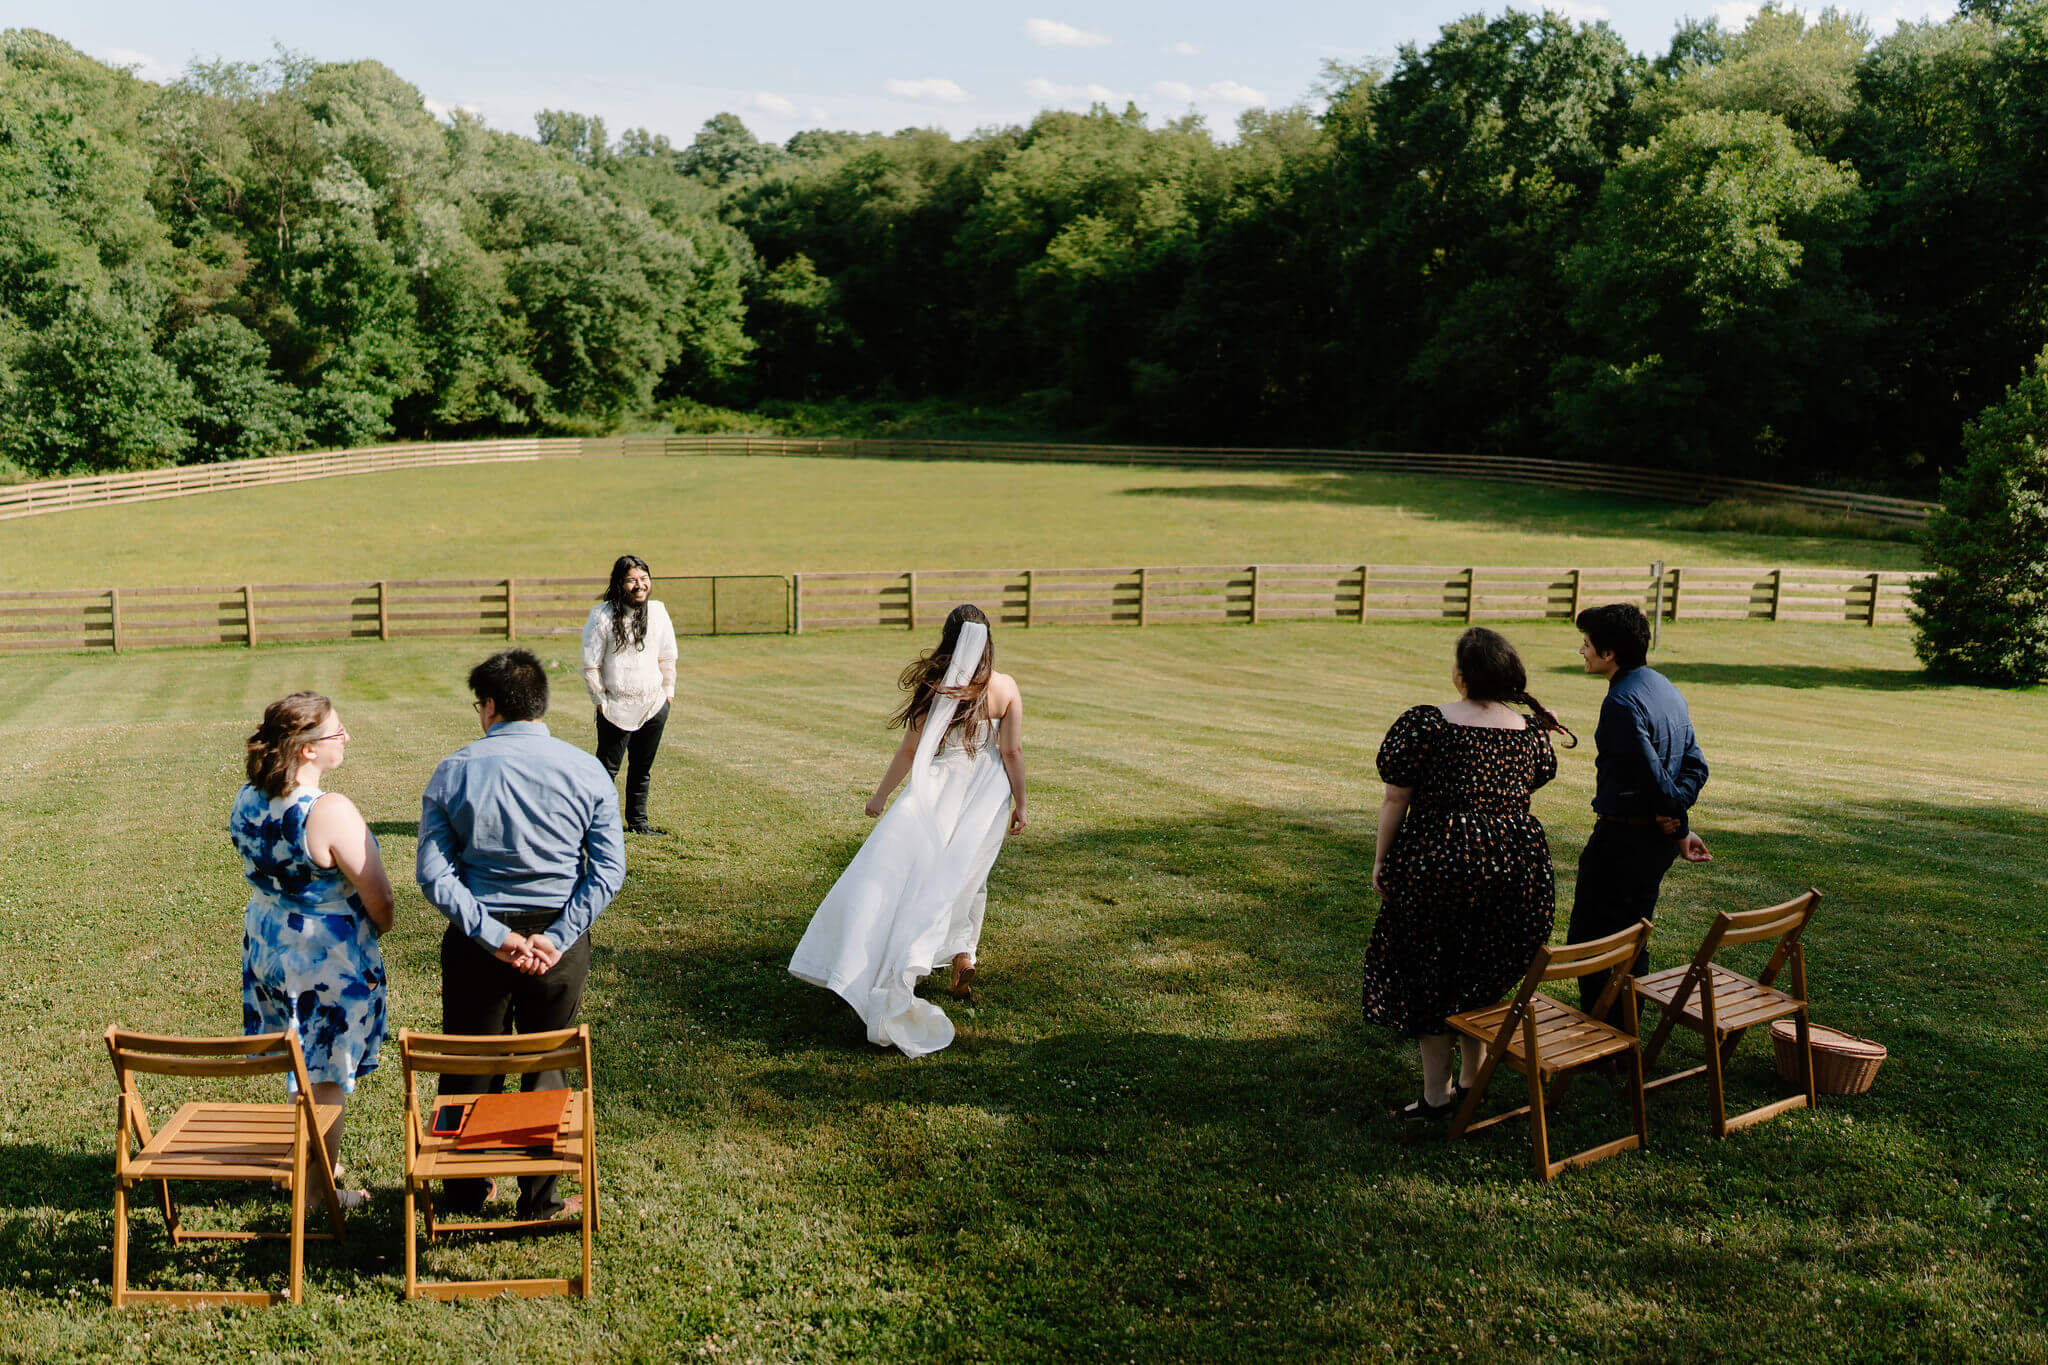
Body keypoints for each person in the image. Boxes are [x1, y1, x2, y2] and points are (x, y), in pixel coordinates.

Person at [418, 649, 625, 1219]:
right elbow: (606, 870)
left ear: (488, 708)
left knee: (469, 1061)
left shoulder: (454, 770)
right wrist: (557, 937)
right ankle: (539, 1197)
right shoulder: (587, 770)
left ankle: (462, 1187)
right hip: (559, 940)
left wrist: (493, 935)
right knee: (547, 1060)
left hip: (477, 942)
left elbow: (434, 873)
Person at [789, 604, 1028, 1058]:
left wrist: (881, 797)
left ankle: (902, 957)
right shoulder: (1004, 686)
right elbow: (1011, 751)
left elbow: (912, 748)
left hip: (940, 787)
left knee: (915, 873)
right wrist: (1021, 802)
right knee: (970, 875)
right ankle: (963, 954)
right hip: (986, 793)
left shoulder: (936, 686)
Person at [1361, 628, 1572, 1120]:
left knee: (1431, 972)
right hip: (1515, 869)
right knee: (1482, 969)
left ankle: (1437, 1096)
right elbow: (1538, 775)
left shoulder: (1427, 725)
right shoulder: (1529, 731)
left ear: (1460, 677)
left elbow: (1397, 797)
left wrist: (1381, 860)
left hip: (1438, 864)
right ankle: (1472, 1081)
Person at [230, 691, 396, 1208]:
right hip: (323, 955)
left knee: (299, 1054)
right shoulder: (329, 811)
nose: (345, 738)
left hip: (267, 941)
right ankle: (319, 1193)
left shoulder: (247, 796)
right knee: (325, 1072)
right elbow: (382, 902)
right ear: (306, 749)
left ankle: (313, 1155)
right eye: (336, 732)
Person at [1568, 602, 1712, 1020]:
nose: (1583, 651)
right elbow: (1695, 765)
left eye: (1587, 643)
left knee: (1591, 939)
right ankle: (1626, 1030)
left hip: (1622, 841)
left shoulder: (1621, 704)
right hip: (1654, 842)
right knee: (1634, 932)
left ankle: (1603, 1035)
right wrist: (1677, 828)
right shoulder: (1665, 686)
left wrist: (1678, 820)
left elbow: (1653, 777)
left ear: (1609, 652)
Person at [582, 554, 678, 835]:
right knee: (605, 771)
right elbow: (591, 664)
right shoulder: (601, 616)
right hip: (615, 707)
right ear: (619, 583)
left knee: (641, 769)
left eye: (644, 578)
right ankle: (595, 824)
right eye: (632, 580)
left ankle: (638, 823)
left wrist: (668, 694)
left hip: (654, 705)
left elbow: (668, 656)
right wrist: (599, 701)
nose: (639, 585)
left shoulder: (658, 612)